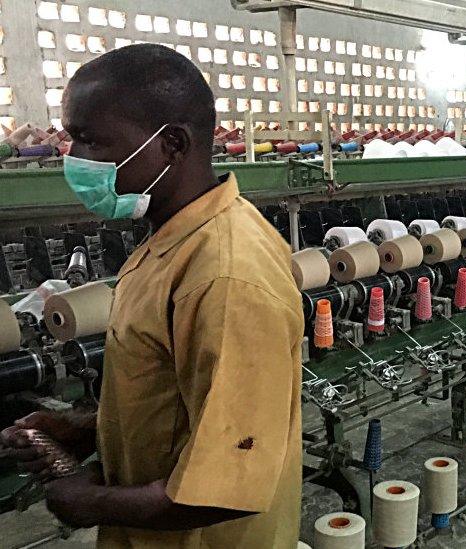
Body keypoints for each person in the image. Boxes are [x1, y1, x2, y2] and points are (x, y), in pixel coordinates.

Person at [0, 44, 303, 547]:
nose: (73, 160)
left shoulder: (226, 276)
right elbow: (176, 401)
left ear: (173, 146)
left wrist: (87, 501)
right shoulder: (173, 237)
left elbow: (225, 487)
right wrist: (88, 428)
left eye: (89, 141)